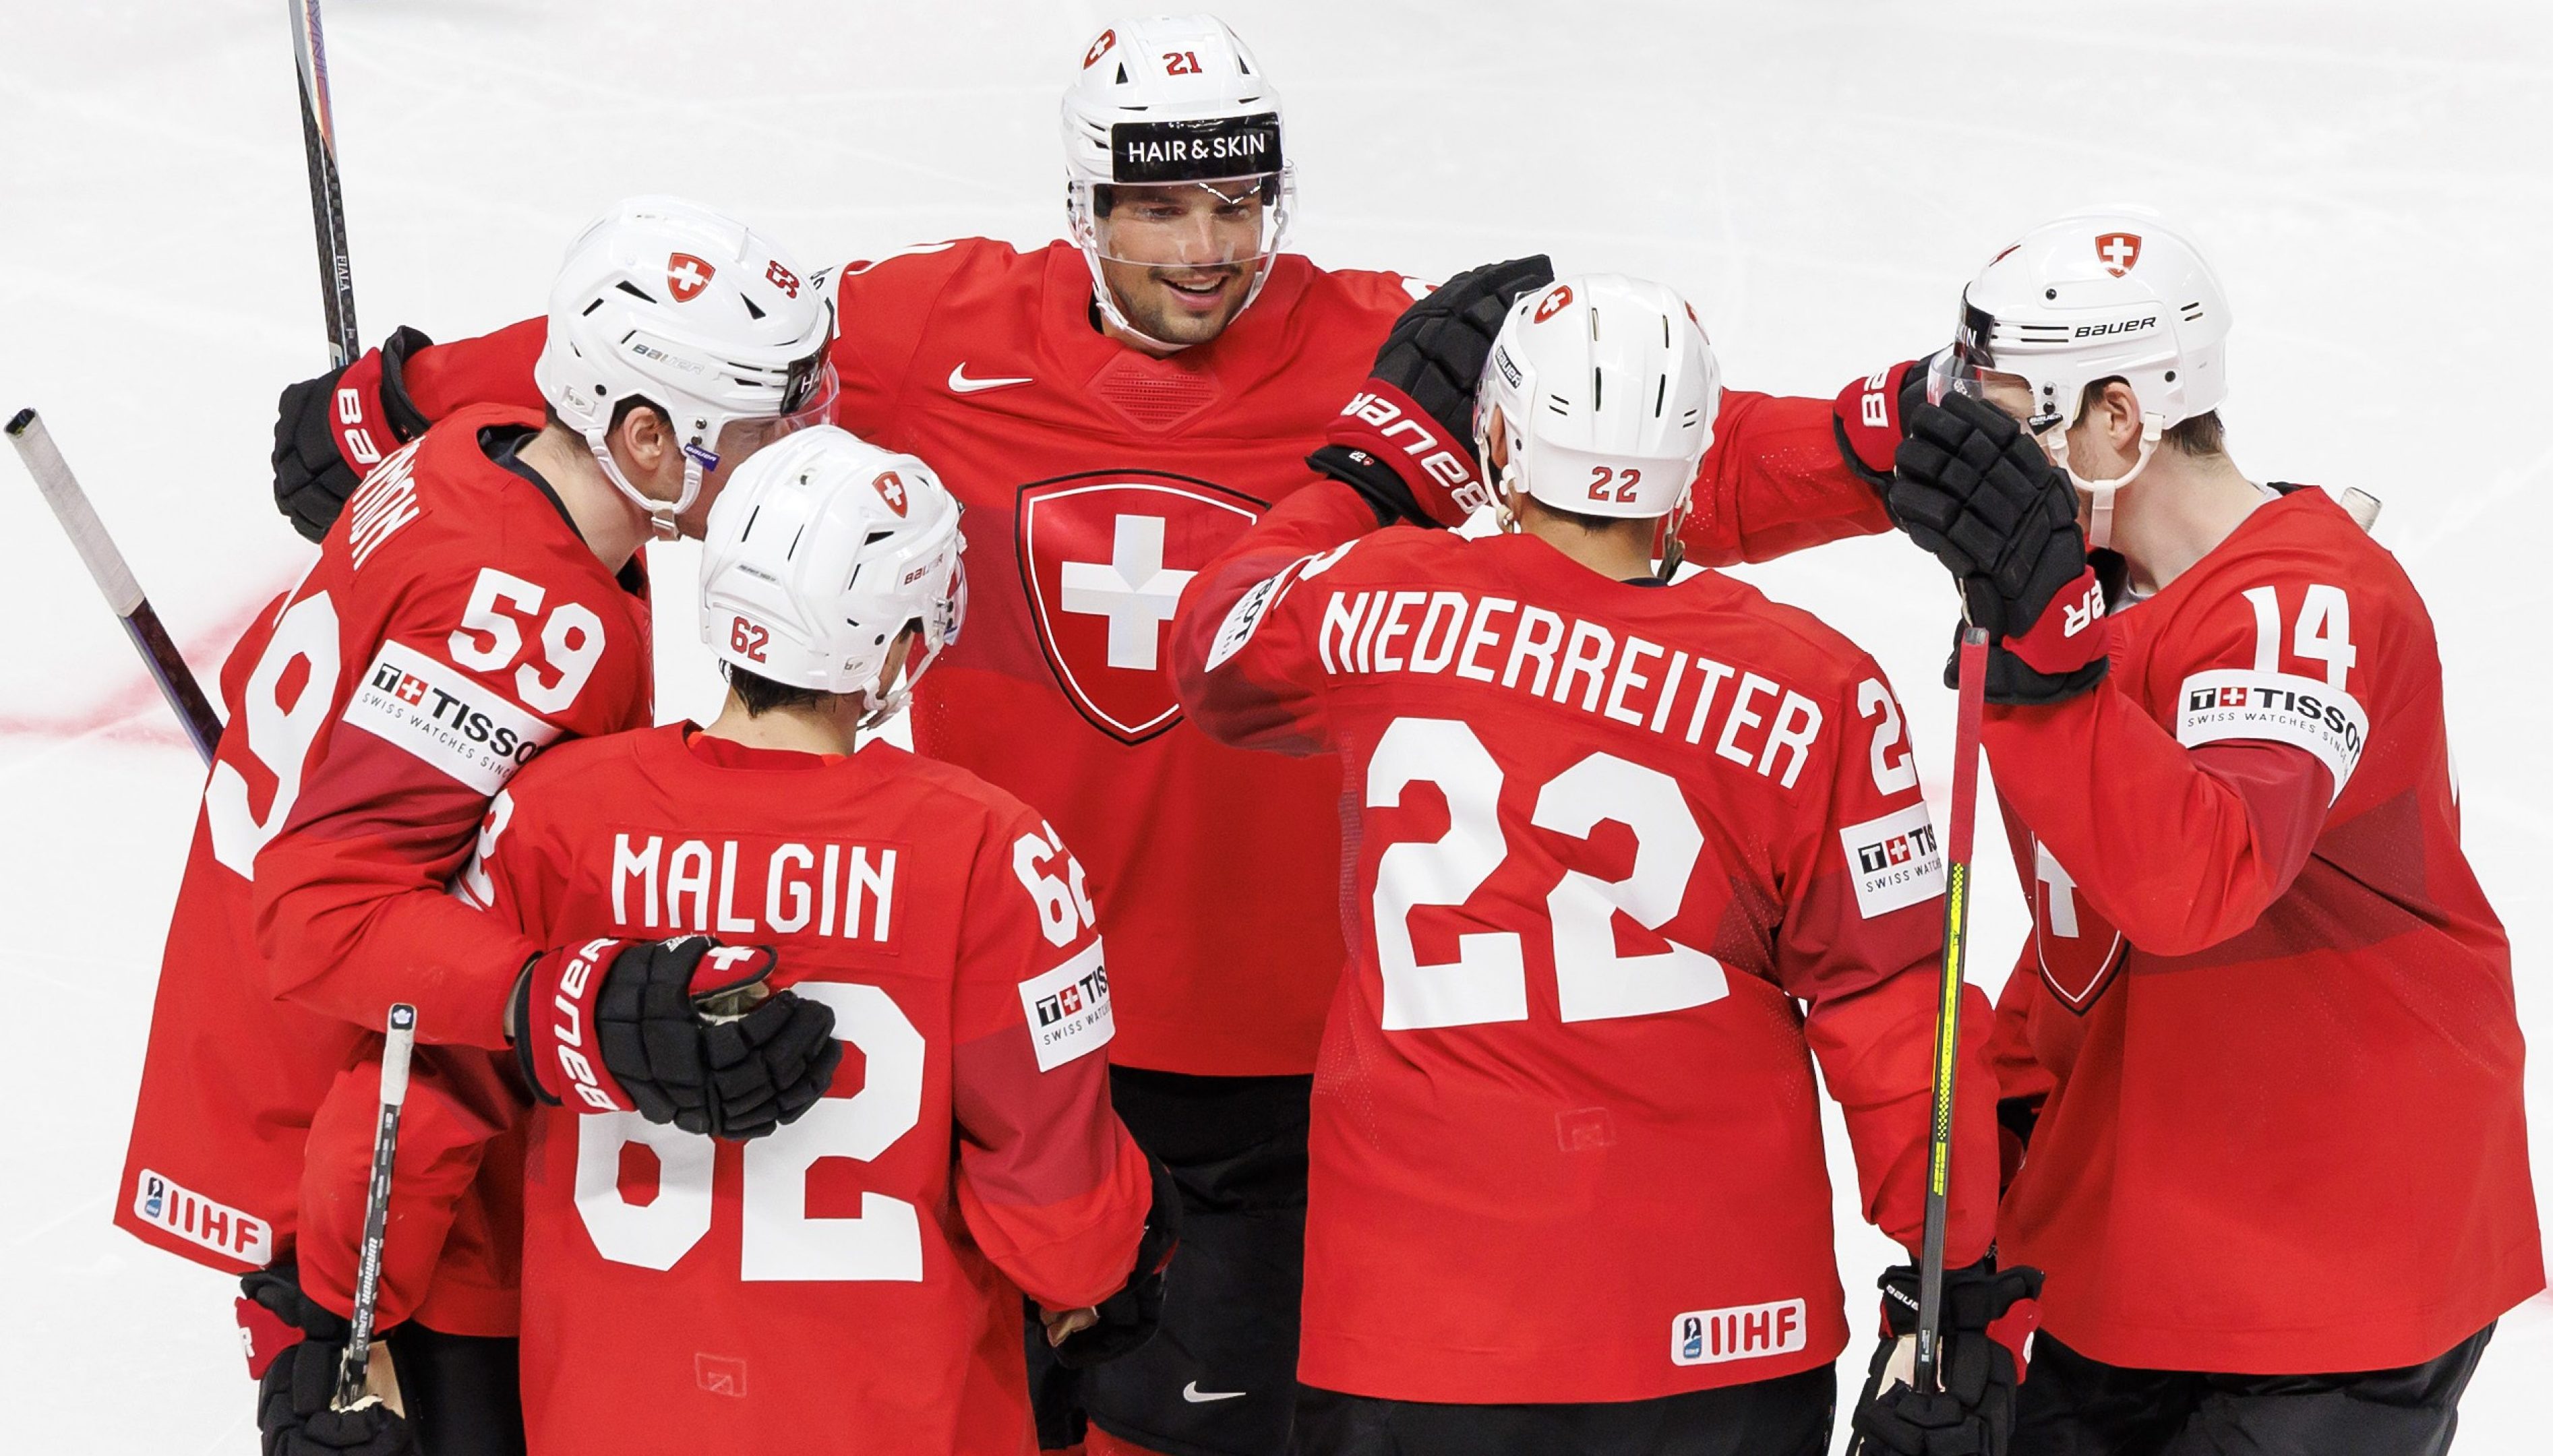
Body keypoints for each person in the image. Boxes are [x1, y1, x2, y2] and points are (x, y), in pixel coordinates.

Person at [256, 20, 1929, 1451]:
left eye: (1234, 203)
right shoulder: (926, 332)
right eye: (1158, 209)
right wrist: (413, 395)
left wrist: (1891, 446)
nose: (1205, 248)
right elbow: (695, 341)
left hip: (1290, 1061)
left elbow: (1652, 464)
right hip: (1004, 1019)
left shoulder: (1378, 349)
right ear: (1083, 203)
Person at [1168, 272, 2038, 1456]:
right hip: (1726, 1330)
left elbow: (1214, 647)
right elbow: (1891, 1005)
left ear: (1502, 437)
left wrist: (1373, 471)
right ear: (1693, 453)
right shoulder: (1817, 684)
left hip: (1422, 1327)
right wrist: (1958, 1287)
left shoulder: (1375, 604)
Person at [118, 196, 848, 1456]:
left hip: (367, 1098)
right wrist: (574, 1000)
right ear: (641, 435)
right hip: (370, 1141)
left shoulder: (484, 444)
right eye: (757, 426)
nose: (792, 448)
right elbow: (326, 915)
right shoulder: (521, 616)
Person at [305, 425, 1169, 1453]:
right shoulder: (991, 852)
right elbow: (1060, 1221)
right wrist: (1112, 1262)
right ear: (897, 642)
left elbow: (415, 1103)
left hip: (613, 1418)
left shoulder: (553, 817)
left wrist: (339, 1320)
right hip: (899, 1422)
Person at [1882, 208, 2540, 1455]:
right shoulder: (2075, 608)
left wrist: (2039, 656)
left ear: (2117, 423)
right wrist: (1991, 1193)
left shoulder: (2308, 606)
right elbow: (2078, 933)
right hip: (2137, 1235)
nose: (1990, 454)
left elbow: (2198, 880)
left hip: (2342, 1252)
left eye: (2020, 413)